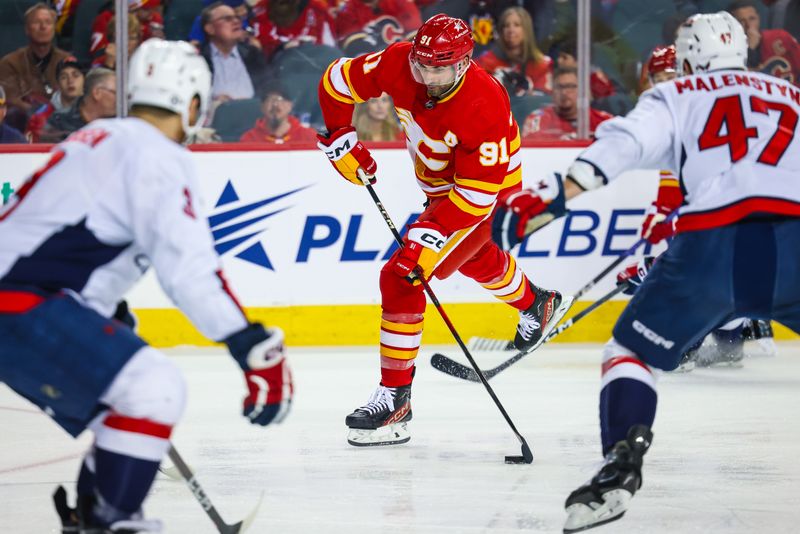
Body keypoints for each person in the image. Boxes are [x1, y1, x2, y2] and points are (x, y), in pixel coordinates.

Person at [507, 12, 800, 532]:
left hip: (718, 243)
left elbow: (621, 147)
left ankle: (619, 470)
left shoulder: (677, 94)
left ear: (686, 57)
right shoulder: (789, 95)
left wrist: (554, 197)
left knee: (629, 352)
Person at [0, 39, 293, 532]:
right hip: (21, 305)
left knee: (122, 405)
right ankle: (112, 521)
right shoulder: (157, 155)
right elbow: (190, 270)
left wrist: (95, 305)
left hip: (27, 300)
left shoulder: (99, 138)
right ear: (194, 103)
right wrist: (250, 345)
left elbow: (60, 233)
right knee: (154, 389)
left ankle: (95, 516)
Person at [316, 14, 573, 447]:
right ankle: (537, 304)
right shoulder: (400, 61)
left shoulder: (485, 101)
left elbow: (475, 199)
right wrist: (341, 135)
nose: (428, 77)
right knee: (475, 258)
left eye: (439, 68)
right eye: (422, 66)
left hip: (485, 196)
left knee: (403, 274)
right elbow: (336, 81)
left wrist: (428, 234)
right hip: (441, 190)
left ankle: (395, 399)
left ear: (463, 62)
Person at [0, 3, 70, 116]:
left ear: (54, 28)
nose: (43, 27)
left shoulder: (67, 61)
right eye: (37, 22)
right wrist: (41, 114)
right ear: (27, 29)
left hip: (62, 122)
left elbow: (75, 98)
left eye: (48, 22)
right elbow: (10, 100)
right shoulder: (9, 63)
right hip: (22, 123)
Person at [200, 1, 270, 102]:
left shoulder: (252, 54)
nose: (236, 22)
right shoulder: (199, 60)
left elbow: (269, 85)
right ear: (210, 29)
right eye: (227, 19)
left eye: (237, 18)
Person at [475, 7, 553, 96]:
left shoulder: (542, 65)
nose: (511, 30)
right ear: (501, 31)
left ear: (526, 29)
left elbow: (544, 100)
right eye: (506, 26)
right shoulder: (485, 62)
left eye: (517, 25)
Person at [521, 66, 614, 140]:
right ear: (552, 91)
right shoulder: (537, 120)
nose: (564, 92)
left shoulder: (605, 121)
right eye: (559, 87)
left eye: (571, 86)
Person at [728, 0, 800, 83]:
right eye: (741, 21)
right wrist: (751, 50)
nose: (748, 25)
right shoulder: (731, 51)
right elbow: (741, 82)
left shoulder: (780, 37)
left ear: (759, 18)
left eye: (752, 19)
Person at [40, 68, 117, 143]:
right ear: (97, 93)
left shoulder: (119, 123)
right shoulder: (59, 122)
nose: (120, 100)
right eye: (116, 93)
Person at [26, 56, 85, 143]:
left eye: (75, 75)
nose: (70, 81)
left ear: (84, 80)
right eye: (64, 77)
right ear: (58, 84)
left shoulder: (94, 112)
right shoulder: (41, 115)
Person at [251, 0, 337, 59]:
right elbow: (263, 46)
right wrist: (282, 47)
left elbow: (330, 47)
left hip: (317, 66)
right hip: (279, 72)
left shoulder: (317, 8)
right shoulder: (261, 10)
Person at [334, 0, 422, 56]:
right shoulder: (348, 9)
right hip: (372, 62)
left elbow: (415, 37)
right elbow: (356, 46)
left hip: (403, 56)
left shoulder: (400, 3)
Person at [239, 86, 317, 143]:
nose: (275, 104)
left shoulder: (309, 137)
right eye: (270, 99)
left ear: (290, 105)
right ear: (262, 107)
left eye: (281, 100)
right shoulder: (249, 139)